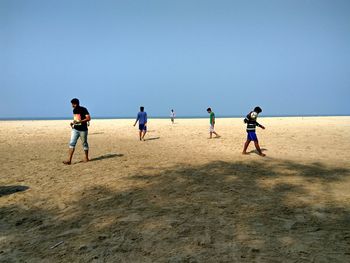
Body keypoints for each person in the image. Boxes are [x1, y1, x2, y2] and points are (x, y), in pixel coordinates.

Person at [63, 98, 91, 165]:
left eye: (73, 104)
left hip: (83, 130)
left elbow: (88, 118)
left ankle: (86, 158)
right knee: (72, 143)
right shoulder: (74, 110)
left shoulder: (84, 109)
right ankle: (69, 160)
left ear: (76, 104)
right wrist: (73, 123)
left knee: (84, 143)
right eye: (72, 104)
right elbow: (77, 120)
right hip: (75, 129)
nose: (72, 106)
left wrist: (81, 121)